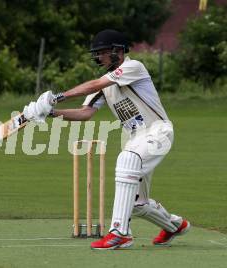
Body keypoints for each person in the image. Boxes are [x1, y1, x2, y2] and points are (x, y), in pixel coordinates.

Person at [23, 29, 190, 250]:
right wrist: (51, 114)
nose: (98, 57)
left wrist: (56, 98)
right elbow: (85, 113)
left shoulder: (133, 67)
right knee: (137, 203)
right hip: (136, 138)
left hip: (158, 132)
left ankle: (120, 234)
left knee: (126, 159)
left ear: (117, 51)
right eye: (97, 53)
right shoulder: (104, 83)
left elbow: (94, 85)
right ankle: (174, 225)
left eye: (102, 52)